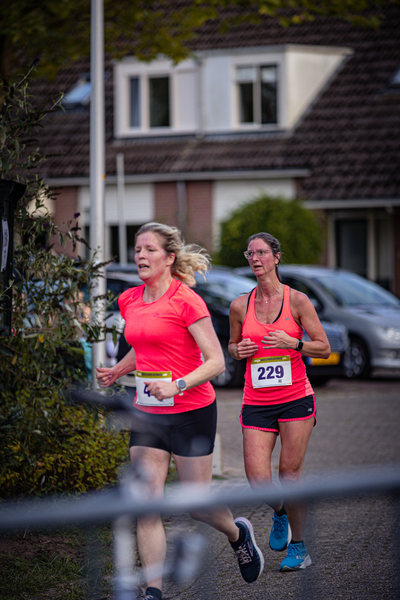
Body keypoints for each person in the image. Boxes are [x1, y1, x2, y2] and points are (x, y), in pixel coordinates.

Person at [96, 222, 264, 600]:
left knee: (197, 506)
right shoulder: (130, 299)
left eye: (149, 249)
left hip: (191, 410)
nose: (140, 255)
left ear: (169, 258)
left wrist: (178, 383)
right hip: (148, 412)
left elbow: (216, 361)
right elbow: (146, 345)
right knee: (146, 504)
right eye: (138, 249)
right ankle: (153, 590)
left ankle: (238, 534)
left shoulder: (186, 300)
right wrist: (118, 370)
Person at [228, 232, 330, 572]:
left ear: (276, 257)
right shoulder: (240, 305)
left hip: (295, 398)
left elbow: (324, 347)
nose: (255, 258)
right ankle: (281, 512)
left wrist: (293, 343)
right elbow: (231, 344)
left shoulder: (298, 301)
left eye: (261, 252)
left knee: (289, 473)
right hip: (256, 400)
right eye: (250, 253)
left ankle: (299, 548)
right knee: (258, 478)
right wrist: (238, 350)